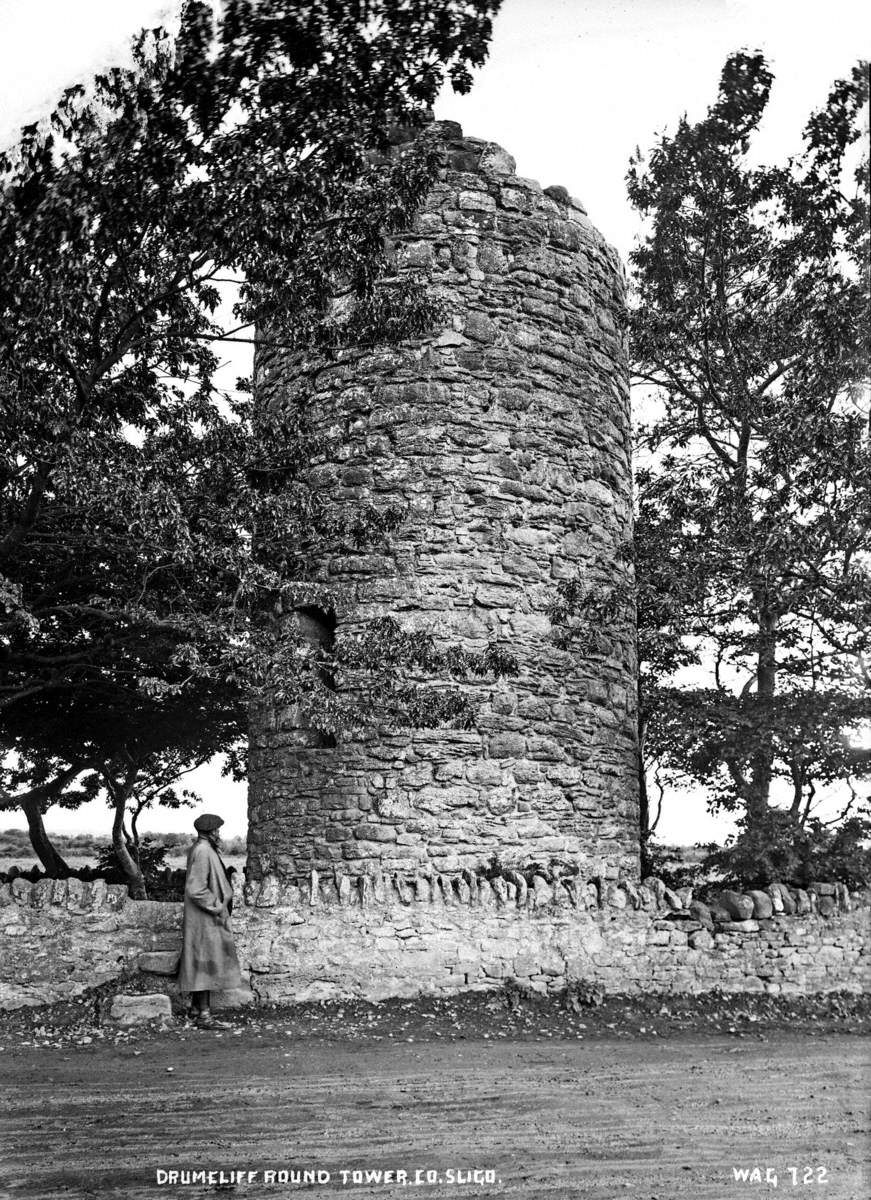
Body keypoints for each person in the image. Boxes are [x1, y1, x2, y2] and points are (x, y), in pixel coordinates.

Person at [178, 813, 242, 1028]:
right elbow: (195, 889)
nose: (219, 833)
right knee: (204, 962)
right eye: (217, 830)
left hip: (203, 917)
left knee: (201, 961)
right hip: (204, 918)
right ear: (211, 832)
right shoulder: (204, 850)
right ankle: (204, 1015)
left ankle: (196, 1010)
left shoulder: (202, 848)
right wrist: (217, 906)